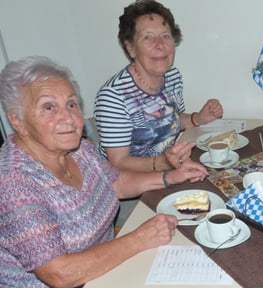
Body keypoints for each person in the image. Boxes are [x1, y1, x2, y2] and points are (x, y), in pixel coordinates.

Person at [0, 56, 209, 287]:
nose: (68, 118)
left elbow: (116, 184)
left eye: (71, 104)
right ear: (17, 120)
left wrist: (170, 177)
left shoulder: (78, 149)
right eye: (48, 107)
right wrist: (139, 239)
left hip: (107, 268)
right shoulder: (13, 181)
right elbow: (59, 273)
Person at [94, 0, 223, 172]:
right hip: (135, 186)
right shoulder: (113, 96)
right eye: (148, 37)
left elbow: (170, 120)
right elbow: (118, 162)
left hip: (169, 170)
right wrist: (162, 163)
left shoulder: (172, 76)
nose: (159, 45)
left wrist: (197, 118)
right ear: (131, 48)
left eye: (165, 36)